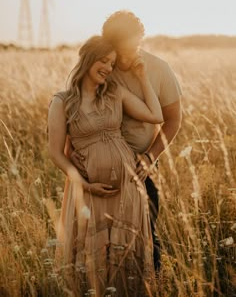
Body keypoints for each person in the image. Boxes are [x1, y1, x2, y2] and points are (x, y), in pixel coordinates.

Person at [48, 35, 164, 296]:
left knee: (126, 254)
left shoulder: (115, 93)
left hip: (127, 187)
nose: (109, 68)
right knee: (93, 257)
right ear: (87, 59)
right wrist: (85, 184)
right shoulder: (62, 102)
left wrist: (143, 76)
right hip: (89, 191)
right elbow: (56, 153)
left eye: (112, 63)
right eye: (103, 61)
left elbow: (156, 115)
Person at [102, 10, 182, 271]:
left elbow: (172, 120)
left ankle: (152, 284)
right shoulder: (101, 66)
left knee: (148, 234)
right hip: (102, 165)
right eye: (120, 50)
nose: (126, 58)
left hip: (142, 165)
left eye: (133, 47)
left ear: (140, 39)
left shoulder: (159, 68)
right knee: (103, 237)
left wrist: (150, 157)